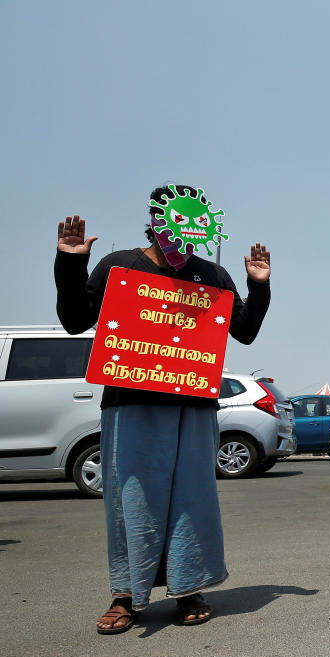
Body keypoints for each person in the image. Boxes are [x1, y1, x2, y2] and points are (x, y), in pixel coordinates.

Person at [54, 186, 272, 633]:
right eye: (175, 231)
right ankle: (125, 595)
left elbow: (245, 331)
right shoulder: (118, 266)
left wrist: (258, 286)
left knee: (191, 499)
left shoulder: (212, 275)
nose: (182, 245)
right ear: (155, 222)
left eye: (192, 235)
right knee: (130, 499)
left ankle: (187, 588)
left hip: (193, 408)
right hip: (130, 405)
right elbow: (75, 318)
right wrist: (70, 261)